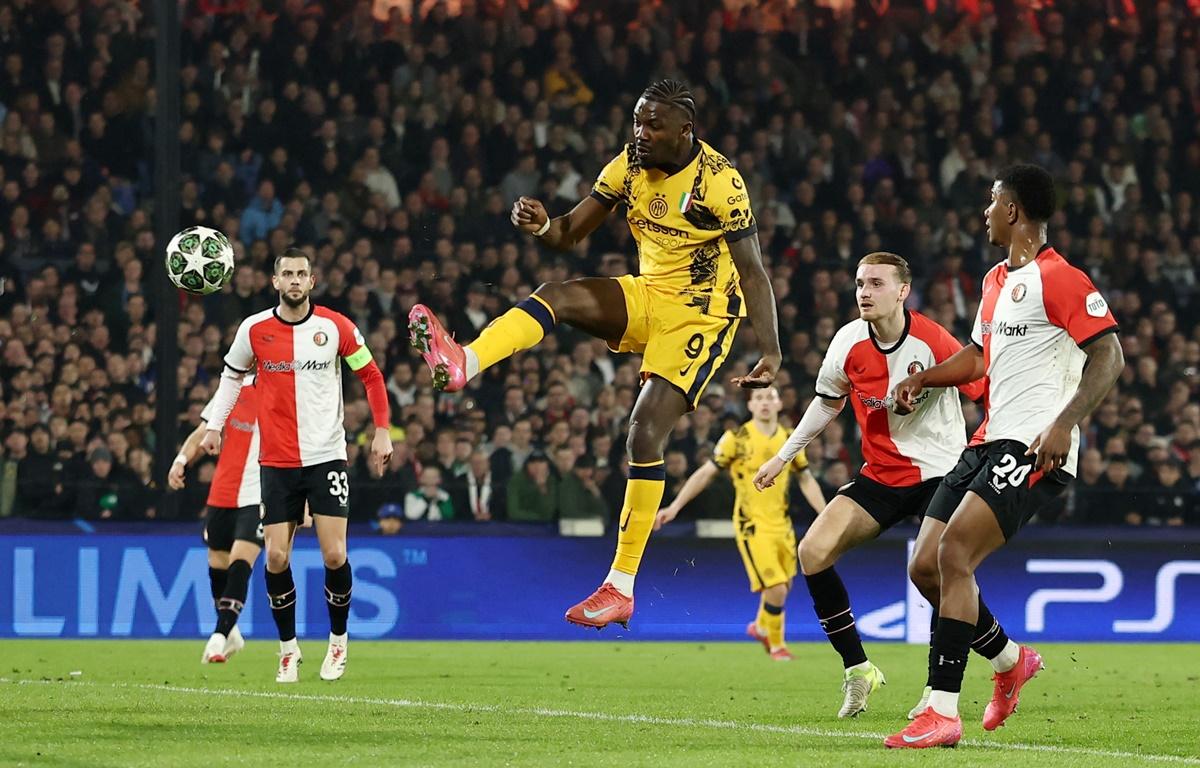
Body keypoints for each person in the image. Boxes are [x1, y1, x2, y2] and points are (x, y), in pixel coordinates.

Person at [408, 80, 781, 629]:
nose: (641, 133)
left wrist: (770, 350)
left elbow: (752, 270)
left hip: (701, 315)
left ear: (685, 131)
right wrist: (542, 226)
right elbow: (568, 233)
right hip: (649, 293)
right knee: (555, 295)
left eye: (654, 126)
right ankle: (465, 361)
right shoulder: (627, 166)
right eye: (637, 121)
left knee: (644, 433)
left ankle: (620, 585)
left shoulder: (719, 183)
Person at [886, 165, 1123, 748]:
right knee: (926, 567)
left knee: (957, 554)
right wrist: (928, 379)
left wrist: (1065, 425)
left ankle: (941, 710)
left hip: (1033, 446)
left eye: (992, 202)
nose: (984, 212)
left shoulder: (1060, 278)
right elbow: (979, 358)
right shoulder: (994, 279)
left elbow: (1109, 356)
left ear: (1013, 211)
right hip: (986, 441)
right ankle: (1010, 660)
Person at [753, 252, 987, 718]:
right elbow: (826, 403)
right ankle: (859, 670)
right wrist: (782, 457)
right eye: (860, 283)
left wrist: (985, 451)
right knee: (812, 552)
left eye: (877, 283)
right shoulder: (846, 342)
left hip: (940, 470)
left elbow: (981, 385)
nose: (864, 291)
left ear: (902, 291)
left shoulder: (933, 339)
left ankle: (938, 690)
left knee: (939, 571)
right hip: (880, 474)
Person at [200, 248, 393, 683]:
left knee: (334, 553)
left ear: (312, 281)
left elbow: (372, 375)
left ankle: (338, 641)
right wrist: (214, 427)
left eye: (301, 274)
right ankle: (288, 650)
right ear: (275, 282)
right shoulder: (254, 330)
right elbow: (231, 377)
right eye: (286, 273)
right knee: (276, 556)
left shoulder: (335, 326)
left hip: (326, 456)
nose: (293, 280)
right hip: (277, 461)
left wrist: (382, 429)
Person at [656, 386, 825, 661]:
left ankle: (760, 627)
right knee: (777, 588)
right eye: (759, 398)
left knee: (784, 586)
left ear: (780, 403)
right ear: (750, 406)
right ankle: (777, 645)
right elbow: (705, 473)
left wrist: (825, 513)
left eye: (770, 397)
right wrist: (675, 507)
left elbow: (805, 478)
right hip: (751, 524)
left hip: (781, 524)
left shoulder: (789, 439)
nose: (765, 402)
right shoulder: (736, 438)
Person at [169, 376, 264, 664]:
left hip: (259, 493)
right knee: (218, 566)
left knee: (240, 562)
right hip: (222, 493)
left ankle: (218, 638)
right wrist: (181, 461)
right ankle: (231, 630)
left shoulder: (289, 394)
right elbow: (202, 432)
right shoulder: (232, 391)